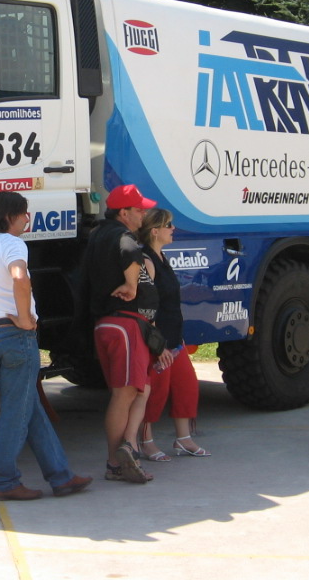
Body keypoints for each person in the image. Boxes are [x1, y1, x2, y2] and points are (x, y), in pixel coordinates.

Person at [0, 192, 92, 502]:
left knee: (29, 409)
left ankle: (61, 476)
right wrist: (24, 319)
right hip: (16, 338)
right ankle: (5, 480)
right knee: (15, 413)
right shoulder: (12, 244)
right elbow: (21, 279)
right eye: (24, 214)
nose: (27, 220)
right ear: (11, 217)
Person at [83, 183, 160, 484]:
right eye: (139, 210)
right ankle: (116, 462)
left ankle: (127, 449)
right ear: (124, 212)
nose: (144, 215)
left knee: (136, 390)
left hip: (106, 323)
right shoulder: (122, 236)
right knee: (124, 393)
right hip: (125, 323)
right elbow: (130, 253)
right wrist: (131, 285)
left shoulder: (97, 235)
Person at [137, 208, 209, 462]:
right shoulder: (147, 260)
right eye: (169, 225)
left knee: (187, 387)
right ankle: (145, 441)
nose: (173, 229)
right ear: (155, 231)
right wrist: (158, 345)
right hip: (159, 342)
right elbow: (147, 306)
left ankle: (183, 439)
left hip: (175, 339)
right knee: (156, 392)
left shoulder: (162, 257)